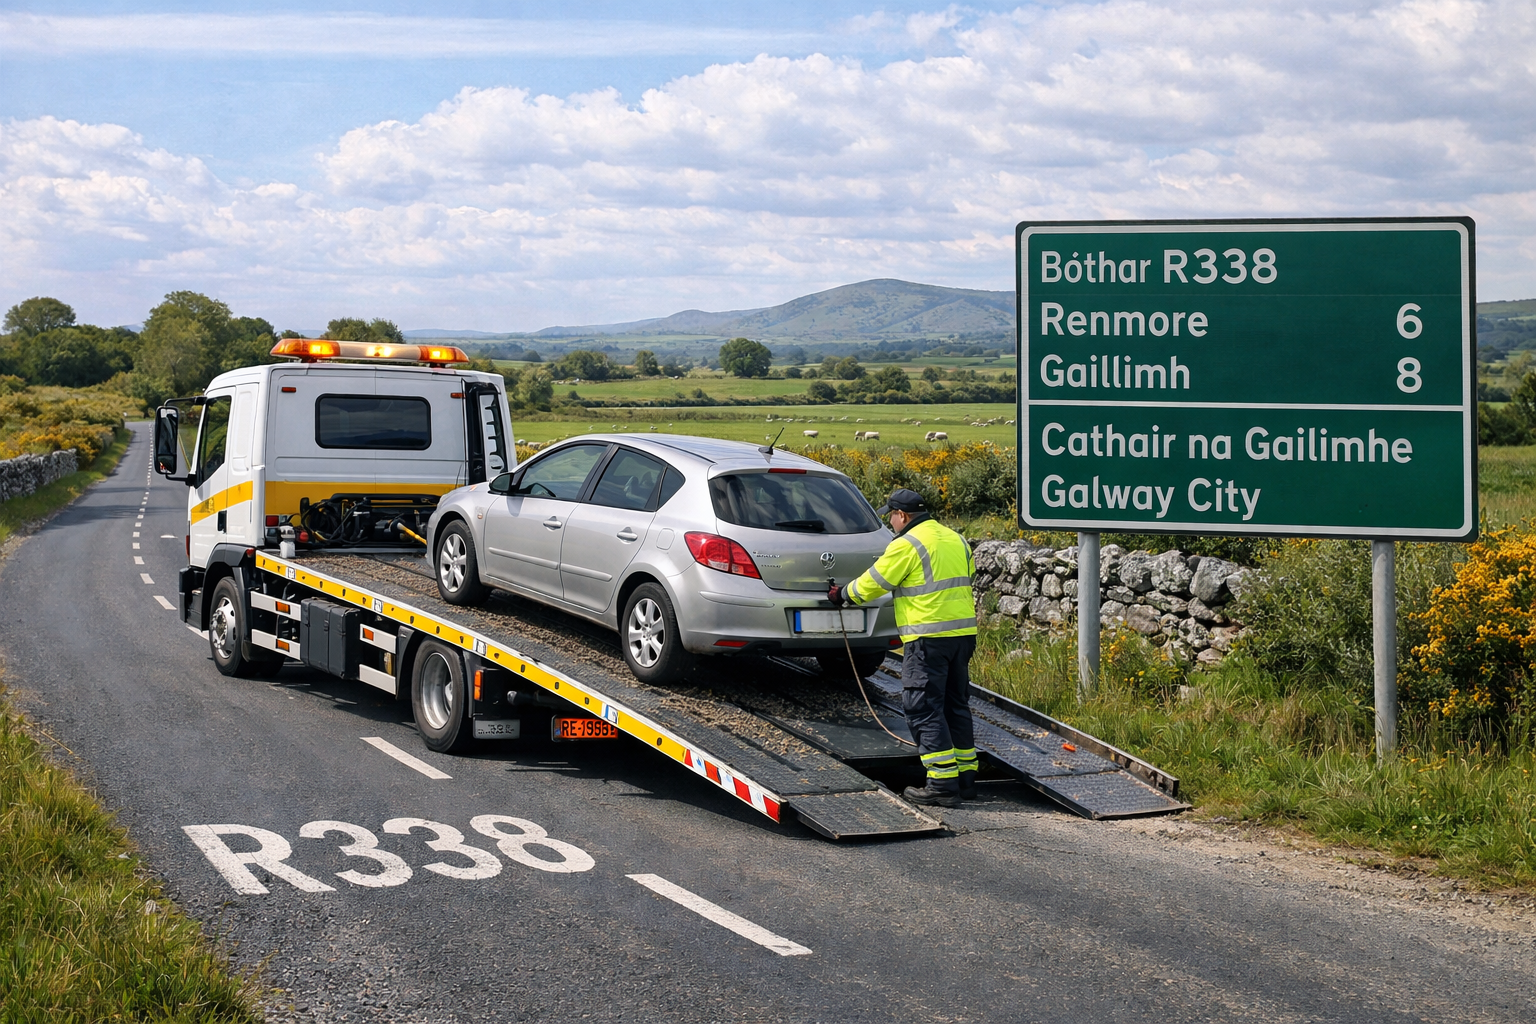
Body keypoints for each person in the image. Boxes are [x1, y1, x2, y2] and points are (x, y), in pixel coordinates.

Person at [828, 488, 978, 808]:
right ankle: (965, 780)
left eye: (891, 516)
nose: (891, 523)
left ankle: (940, 784)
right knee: (956, 705)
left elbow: (875, 582)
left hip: (928, 638)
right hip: (963, 635)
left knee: (923, 707)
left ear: (903, 516)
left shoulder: (907, 544)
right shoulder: (956, 539)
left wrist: (842, 596)